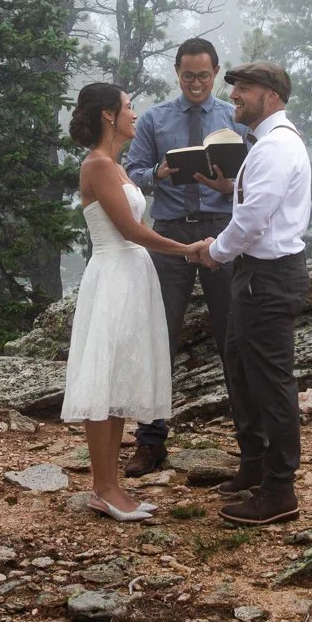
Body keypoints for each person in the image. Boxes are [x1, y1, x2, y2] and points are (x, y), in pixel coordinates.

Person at [60, 82, 200, 522]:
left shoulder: (116, 167)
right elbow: (132, 231)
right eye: (127, 106)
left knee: (119, 379)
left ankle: (113, 487)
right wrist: (188, 248)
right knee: (104, 378)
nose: (134, 113)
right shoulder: (98, 166)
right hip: (114, 274)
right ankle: (102, 488)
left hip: (132, 274)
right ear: (108, 115)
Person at [182, 62, 312, 525]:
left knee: (271, 382)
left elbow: (255, 218)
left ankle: (280, 491)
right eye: (234, 87)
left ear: (272, 95)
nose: (233, 94)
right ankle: (255, 466)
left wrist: (214, 251)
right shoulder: (268, 145)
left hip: (269, 276)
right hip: (256, 273)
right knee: (240, 368)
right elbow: (255, 204)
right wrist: (228, 187)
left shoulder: (276, 147)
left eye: (245, 88)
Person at [119, 37, 247, 476]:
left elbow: (252, 180)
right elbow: (131, 173)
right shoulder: (155, 118)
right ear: (177, 72)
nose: (196, 83)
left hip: (221, 234)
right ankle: (150, 442)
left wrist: (227, 186)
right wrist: (158, 173)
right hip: (170, 236)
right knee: (158, 338)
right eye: (189, 75)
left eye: (204, 75)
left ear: (215, 72)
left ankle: (250, 443)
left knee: (234, 336)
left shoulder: (235, 118)